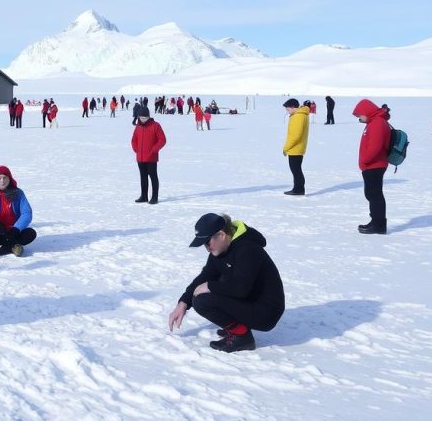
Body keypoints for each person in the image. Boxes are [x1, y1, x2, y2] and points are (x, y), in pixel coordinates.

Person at [168, 213, 285, 353]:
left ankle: (241, 336)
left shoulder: (248, 249)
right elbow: (205, 276)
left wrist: (209, 286)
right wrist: (183, 302)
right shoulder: (220, 249)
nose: (207, 248)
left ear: (222, 235)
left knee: (202, 301)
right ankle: (237, 327)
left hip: (266, 311)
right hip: (250, 301)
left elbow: (240, 289)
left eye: (207, 242)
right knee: (201, 292)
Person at [353, 99, 390, 234]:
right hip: (372, 165)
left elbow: (375, 147)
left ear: (367, 111)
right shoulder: (374, 122)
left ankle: (379, 225)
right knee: (371, 194)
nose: (359, 118)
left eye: (359, 115)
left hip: (374, 165)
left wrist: (365, 160)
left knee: (374, 194)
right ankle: (375, 221)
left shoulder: (377, 123)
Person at [131, 106, 166, 204]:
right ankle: (144, 196)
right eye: (141, 118)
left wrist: (154, 149)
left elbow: (162, 140)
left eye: (145, 118)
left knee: (153, 177)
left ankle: (154, 197)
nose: (143, 120)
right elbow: (134, 140)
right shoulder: (138, 127)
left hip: (151, 157)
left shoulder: (156, 126)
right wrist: (136, 149)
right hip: (140, 157)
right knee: (143, 177)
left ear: (149, 117)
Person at [281, 98, 309, 195]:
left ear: (293, 107)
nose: (287, 111)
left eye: (288, 109)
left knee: (296, 170)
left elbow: (295, 136)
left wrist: (286, 148)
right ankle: (297, 188)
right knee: (296, 169)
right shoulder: (300, 115)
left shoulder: (298, 116)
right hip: (297, 147)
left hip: (295, 148)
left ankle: (299, 189)